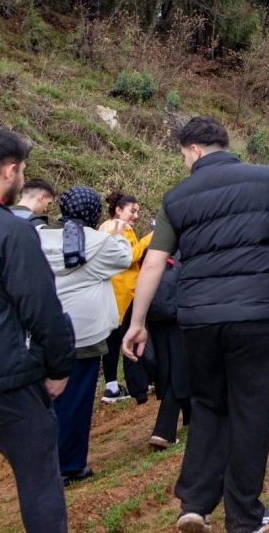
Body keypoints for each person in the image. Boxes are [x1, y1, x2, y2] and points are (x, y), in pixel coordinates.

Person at [122, 116, 269, 533]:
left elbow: (154, 264)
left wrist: (137, 321)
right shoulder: (265, 178)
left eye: (184, 156)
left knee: (208, 405)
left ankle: (195, 503)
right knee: (253, 411)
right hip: (257, 314)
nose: (185, 163)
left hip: (199, 320)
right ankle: (243, 515)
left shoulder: (175, 198)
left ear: (195, 150)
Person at [0, 128, 76, 533]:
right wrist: (59, 366)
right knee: (39, 477)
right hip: (8, 380)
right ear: (10, 171)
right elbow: (42, 309)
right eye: (24, 171)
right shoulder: (11, 231)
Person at [38, 186, 132, 485]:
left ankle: (42, 462)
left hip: (44, 332)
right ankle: (69, 465)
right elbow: (124, 257)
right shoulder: (99, 242)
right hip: (84, 334)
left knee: (47, 401)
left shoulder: (38, 236)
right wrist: (117, 233)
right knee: (77, 400)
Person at [98, 191, 153, 404]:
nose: (135, 216)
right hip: (122, 292)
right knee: (125, 337)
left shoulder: (105, 227)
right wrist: (150, 238)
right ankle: (134, 383)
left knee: (113, 339)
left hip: (114, 290)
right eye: (132, 211)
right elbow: (128, 256)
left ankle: (113, 385)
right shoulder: (117, 228)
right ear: (119, 210)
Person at [146, 253, 191, 450]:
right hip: (179, 308)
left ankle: (190, 414)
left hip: (155, 309)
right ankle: (163, 431)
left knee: (166, 366)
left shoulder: (154, 246)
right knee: (180, 367)